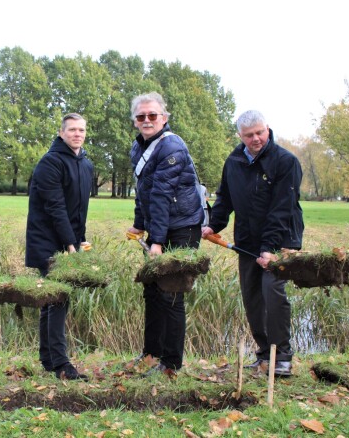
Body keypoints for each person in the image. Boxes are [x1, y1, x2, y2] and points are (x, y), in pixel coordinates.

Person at [201, 110, 304, 377]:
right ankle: (263, 355)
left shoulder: (285, 162)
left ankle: (281, 357)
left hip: (280, 241)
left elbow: (282, 209)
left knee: (273, 294)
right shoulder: (234, 161)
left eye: (260, 132)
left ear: (267, 129)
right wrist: (214, 224)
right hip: (247, 240)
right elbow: (225, 198)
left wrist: (268, 248)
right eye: (249, 135)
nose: (256, 138)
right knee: (252, 298)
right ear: (240, 136)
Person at [126, 92, 204, 377]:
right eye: (141, 116)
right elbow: (143, 193)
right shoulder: (139, 148)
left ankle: (171, 364)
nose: (147, 120)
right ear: (135, 121)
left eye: (152, 116)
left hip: (182, 227)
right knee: (152, 290)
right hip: (158, 226)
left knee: (171, 292)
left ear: (164, 118)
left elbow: (161, 195)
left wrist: (156, 242)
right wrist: (138, 224)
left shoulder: (171, 147)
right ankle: (151, 354)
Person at [25, 113, 93, 381]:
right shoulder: (50, 163)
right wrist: (69, 244)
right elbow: (56, 208)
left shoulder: (85, 164)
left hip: (70, 241)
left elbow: (80, 209)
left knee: (52, 301)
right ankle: (62, 364)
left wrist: (81, 239)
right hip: (48, 242)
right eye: (73, 130)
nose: (78, 134)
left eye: (82, 130)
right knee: (58, 298)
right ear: (62, 132)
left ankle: (48, 358)